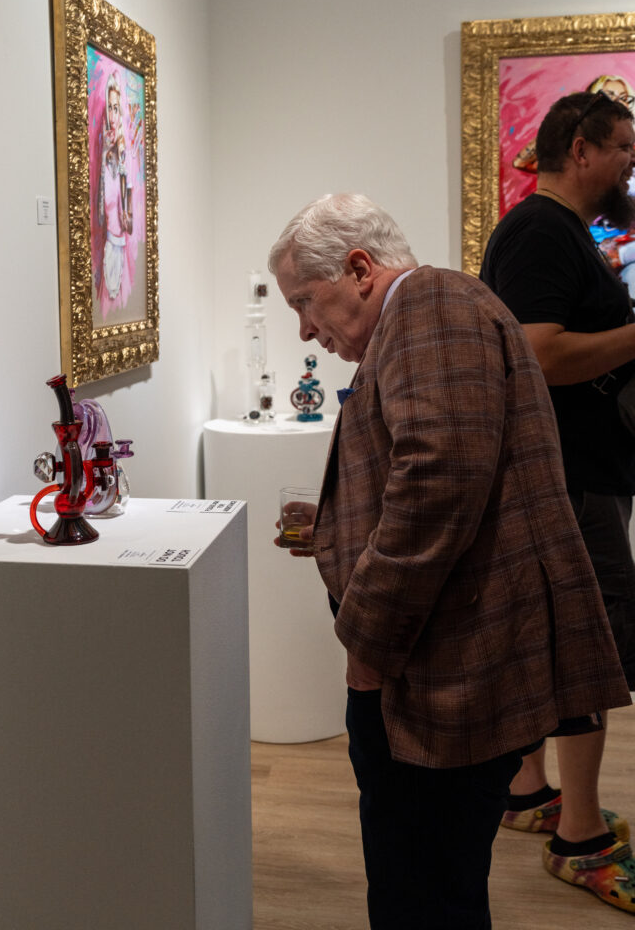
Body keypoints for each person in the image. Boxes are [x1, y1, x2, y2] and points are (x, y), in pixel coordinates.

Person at [269, 192, 632, 928]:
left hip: (441, 676)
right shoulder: (427, 313)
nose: (305, 329)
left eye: (306, 301)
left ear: (360, 268)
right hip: (441, 666)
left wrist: (366, 643)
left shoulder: (430, 303)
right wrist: (335, 521)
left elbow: (440, 479)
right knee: (433, 883)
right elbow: (441, 470)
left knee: (423, 894)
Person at [481, 90, 635, 911]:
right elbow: (537, 355)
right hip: (572, 475)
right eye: (623, 149)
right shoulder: (542, 229)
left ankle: (528, 792)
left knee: (551, 632)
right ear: (581, 148)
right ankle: (580, 835)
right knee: (591, 637)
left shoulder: (552, 231)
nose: (629, 164)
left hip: (576, 469)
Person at [97, 71, 134, 306]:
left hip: (118, 236)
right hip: (109, 235)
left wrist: (126, 211)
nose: (113, 115)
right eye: (109, 108)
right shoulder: (106, 148)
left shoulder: (121, 149)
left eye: (116, 109)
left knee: (113, 290)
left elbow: (127, 186)